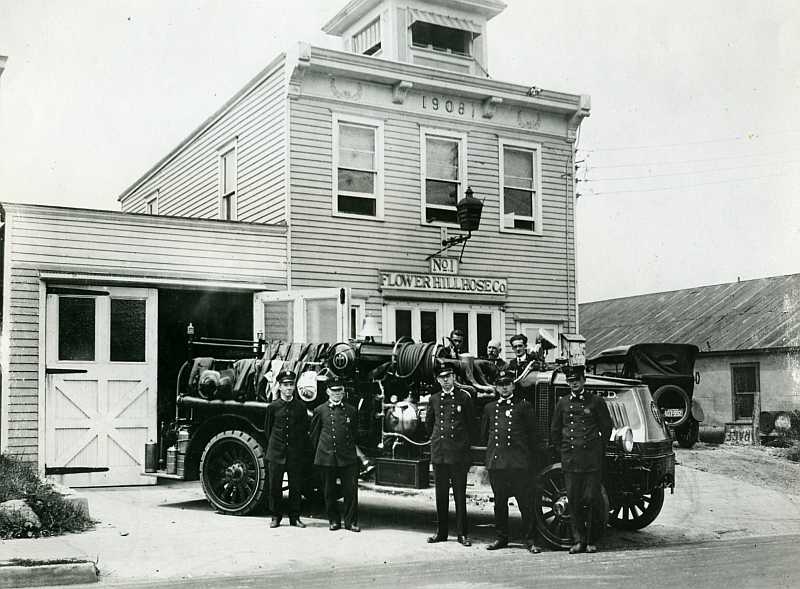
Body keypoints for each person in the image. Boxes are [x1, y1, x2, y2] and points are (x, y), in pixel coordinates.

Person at [550, 365, 613, 554]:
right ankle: (578, 540)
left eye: (577, 380)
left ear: (583, 380)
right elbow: (555, 430)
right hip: (571, 459)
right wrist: (563, 451)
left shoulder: (596, 401)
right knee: (574, 499)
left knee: (592, 498)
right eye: (570, 380)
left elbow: (607, 428)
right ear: (567, 382)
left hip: (591, 459)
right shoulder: (562, 403)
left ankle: (591, 540)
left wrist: (597, 449)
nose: (574, 383)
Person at [482, 369, 541, 553]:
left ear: (513, 385)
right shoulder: (490, 408)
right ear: (496, 387)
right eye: (501, 385)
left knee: (525, 503)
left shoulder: (524, 406)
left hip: (518, 464)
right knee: (500, 503)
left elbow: (533, 436)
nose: (504, 388)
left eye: (507, 384)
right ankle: (502, 538)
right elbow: (484, 434)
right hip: (498, 464)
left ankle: (530, 540)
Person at [425, 362, 474, 546]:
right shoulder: (434, 399)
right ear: (438, 380)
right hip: (440, 453)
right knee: (441, 495)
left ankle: (462, 534)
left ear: (454, 377)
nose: (446, 381)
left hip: (458, 454)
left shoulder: (464, 397)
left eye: (448, 377)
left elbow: (471, 425)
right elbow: (429, 424)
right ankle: (442, 532)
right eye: (442, 378)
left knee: (460, 496)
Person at [310, 379, 360, 532]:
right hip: (327, 457)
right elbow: (314, 435)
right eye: (334, 391)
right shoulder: (320, 410)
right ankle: (333, 521)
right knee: (329, 491)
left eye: (340, 391)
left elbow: (355, 434)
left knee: (350, 491)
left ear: (343, 392)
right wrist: (320, 454)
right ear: (328, 392)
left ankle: (350, 522)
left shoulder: (351, 410)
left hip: (347, 457)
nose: (337, 394)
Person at [264, 369, 310, 528]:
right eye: (286, 385)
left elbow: (304, 431)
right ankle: (275, 517)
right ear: (280, 387)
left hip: (295, 454)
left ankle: (295, 517)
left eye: (291, 384)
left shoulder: (300, 407)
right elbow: (268, 430)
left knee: (295, 486)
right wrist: (275, 447)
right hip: (276, 453)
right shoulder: (273, 407)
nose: (289, 388)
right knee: (275, 487)